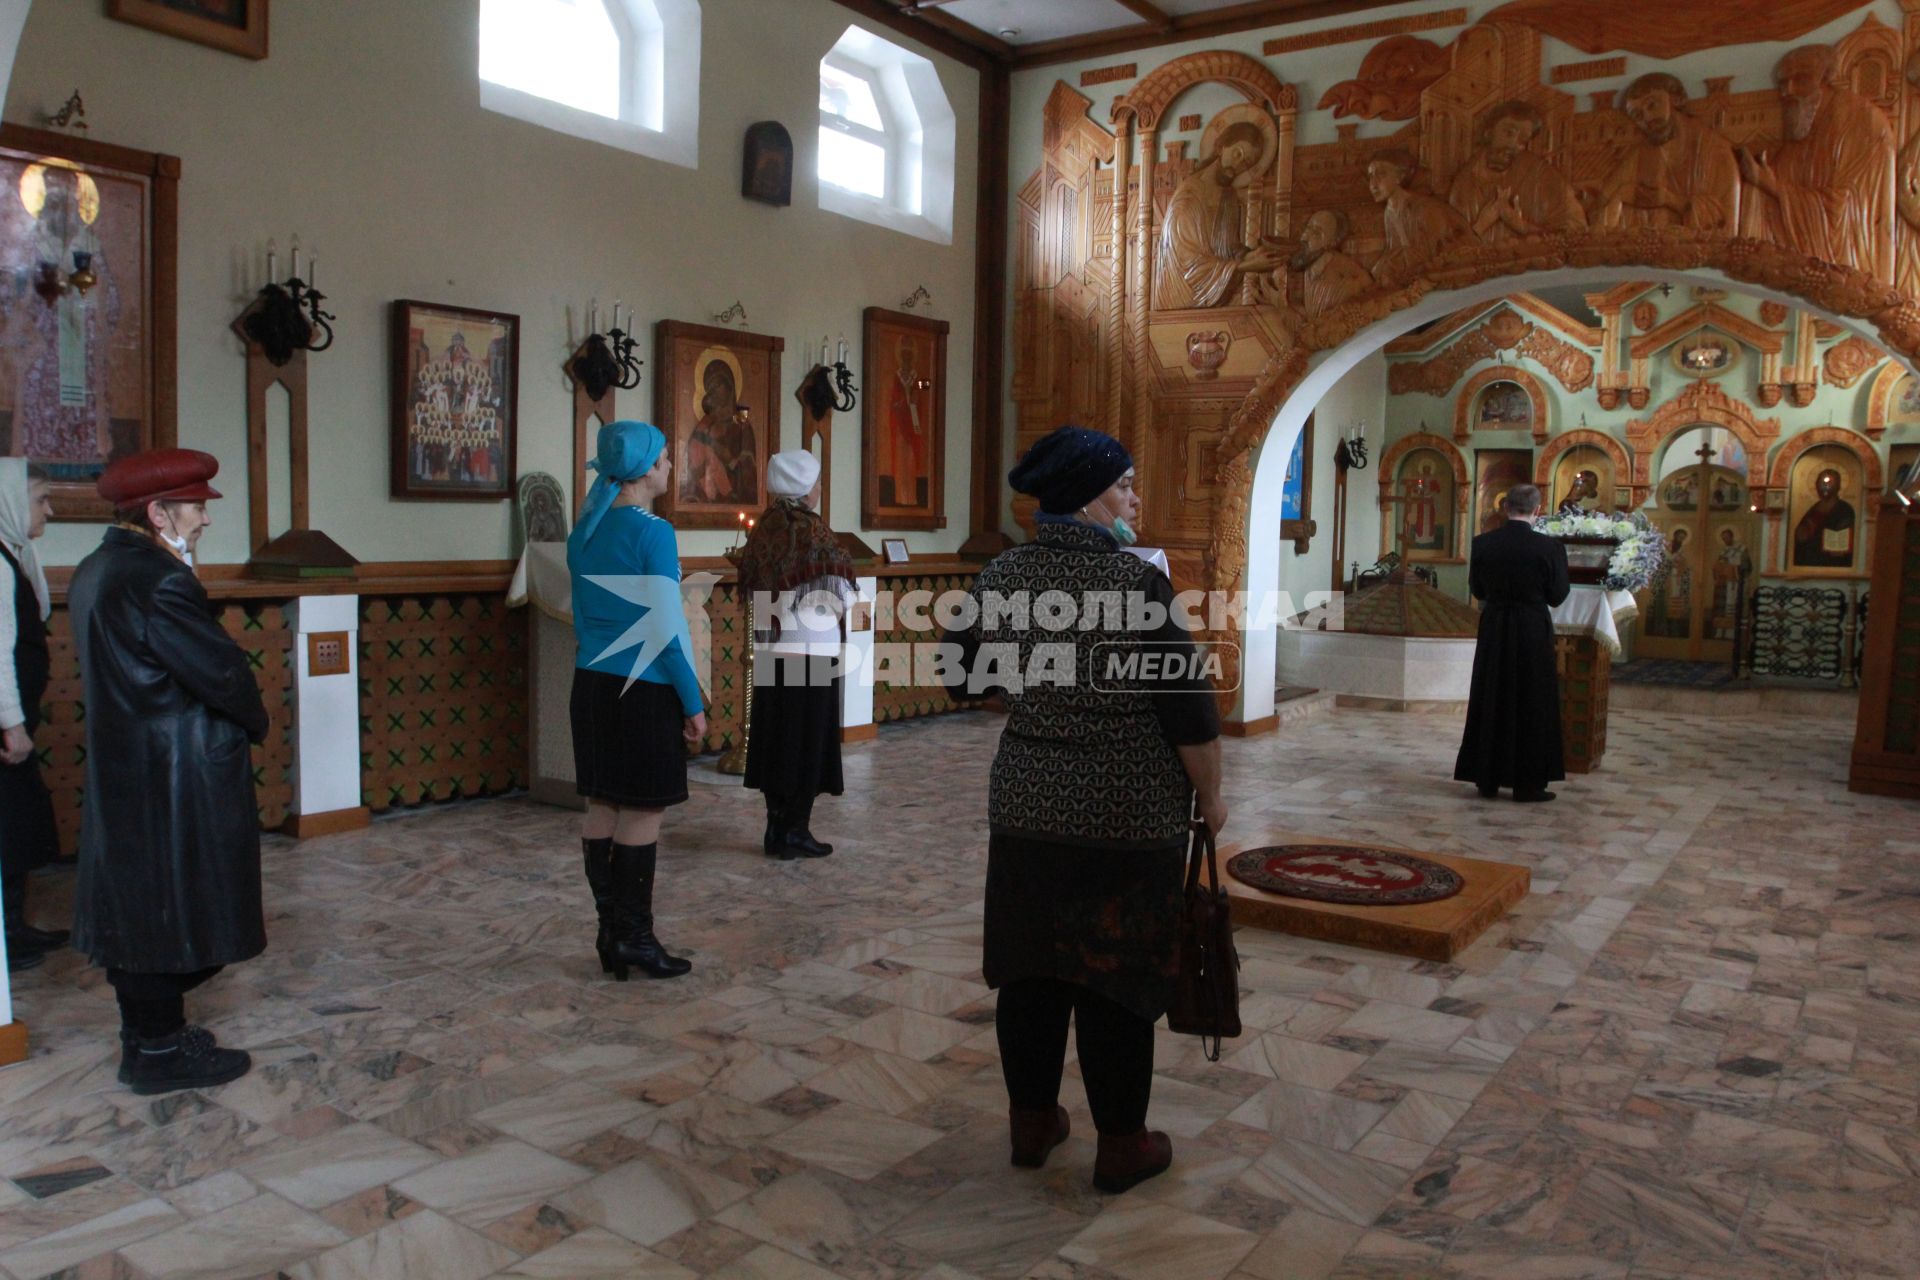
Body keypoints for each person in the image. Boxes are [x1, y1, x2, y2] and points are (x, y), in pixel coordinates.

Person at [941, 425, 1226, 1195]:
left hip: (1028, 802)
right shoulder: (1135, 586)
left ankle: (1031, 1125)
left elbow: (959, 675)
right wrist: (1212, 794)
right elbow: (1187, 710)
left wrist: (1040, 695)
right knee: (1115, 978)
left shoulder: (1002, 574)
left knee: (1030, 973)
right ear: (1093, 495)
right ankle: (1122, 1145)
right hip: (1126, 815)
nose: (1135, 498)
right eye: (1127, 485)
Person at [67, 448, 265, 1095]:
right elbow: (222, 673)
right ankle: (158, 1053)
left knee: (140, 908)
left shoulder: (96, 568)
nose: (204, 519)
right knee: (175, 911)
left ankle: (146, 1039)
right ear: (157, 513)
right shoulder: (161, 579)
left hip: (126, 769)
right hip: (175, 775)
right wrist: (253, 721)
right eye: (196, 507)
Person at [568, 420, 705, 981]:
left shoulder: (585, 531)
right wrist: (693, 702)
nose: (671, 467)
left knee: (602, 803)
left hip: (592, 687)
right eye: (666, 459)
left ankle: (611, 931)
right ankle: (635, 938)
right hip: (642, 689)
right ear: (646, 470)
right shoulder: (654, 532)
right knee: (642, 810)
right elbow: (668, 632)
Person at [737, 450, 855, 860]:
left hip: (773, 650)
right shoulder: (813, 532)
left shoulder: (765, 527)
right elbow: (840, 594)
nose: (821, 488)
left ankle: (775, 829)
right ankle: (797, 830)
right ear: (807, 488)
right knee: (807, 742)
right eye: (818, 481)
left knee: (777, 740)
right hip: (812, 650)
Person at [1738, 44, 1895, 285]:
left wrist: (1771, 186)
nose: (1788, 91)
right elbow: (1780, 175)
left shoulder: (1860, 121)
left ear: (1827, 79)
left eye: (1801, 79)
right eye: (1783, 82)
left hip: (1847, 261)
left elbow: (1845, 205)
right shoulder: (1802, 122)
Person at [1454, 483, 1570, 802]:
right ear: (1538, 510)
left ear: (1506, 508)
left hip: (1495, 626)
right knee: (1532, 697)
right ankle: (1527, 784)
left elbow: (1478, 589)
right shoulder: (1549, 548)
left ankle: (1486, 779)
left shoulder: (1483, 543)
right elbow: (1558, 595)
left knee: (1492, 693)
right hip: (1531, 627)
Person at [1, 460, 65, 972]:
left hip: (15, 720)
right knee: (10, 827)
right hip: (6, 730)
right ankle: (7, 936)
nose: (50, 508)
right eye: (41, 497)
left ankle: (15, 929)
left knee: (17, 827)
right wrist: (12, 723)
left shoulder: (15, 556)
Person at [1154, 121, 1286, 308]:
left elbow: (1228, 248)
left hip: (1216, 295)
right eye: (1237, 153)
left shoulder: (1228, 198)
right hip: (1183, 297)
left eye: (1247, 162)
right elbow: (1189, 264)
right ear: (1221, 146)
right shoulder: (1189, 196)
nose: (1239, 163)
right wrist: (1244, 266)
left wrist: (1252, 255)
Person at [1599, 73, 1741, 233]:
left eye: (1652, 105)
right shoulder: (1640, 154)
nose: (1647, 118)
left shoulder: (1714, 150)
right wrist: (1623, 195)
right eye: (1637, 115)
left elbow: (1727, 222)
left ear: (1675, 99)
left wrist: (1670, 200)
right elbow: (1602, 204)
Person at [1448, 100, 1587, 244]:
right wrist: (1481, 225)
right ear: (1489, 132)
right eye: (1509, 133)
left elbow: (1575, 228)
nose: (1514, 145)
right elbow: (1450, 244)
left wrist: (1519, 224)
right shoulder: (1465, 180)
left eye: (1523, 141)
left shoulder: (1540, 174)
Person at [1367, 148, 1471, 283]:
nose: (1373, 184)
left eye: (1381, 174)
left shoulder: (1424, 209)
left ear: (1400, 176)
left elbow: (1436, 253)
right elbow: (1396, 249)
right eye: (1370, 176)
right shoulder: (1389, 212)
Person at [1289, 209, 1372, 317]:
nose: (1306, 236)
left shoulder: (1339, 262)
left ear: (1331, 242)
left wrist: (1348, 290)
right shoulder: (1306, 262)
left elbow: (1367, 282)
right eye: (1308, 228)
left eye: (1317, 233)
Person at [1793, 467, 1856, 568]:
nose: (1825, 486)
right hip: (1808, 562)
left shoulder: (1844, 509)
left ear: (1838, 486)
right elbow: (1800, 536)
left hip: (1833, 564)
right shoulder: (1813, 509)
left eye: (1829, 482)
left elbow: (1843, 538)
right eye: (1821, 482)